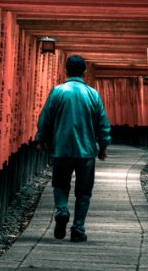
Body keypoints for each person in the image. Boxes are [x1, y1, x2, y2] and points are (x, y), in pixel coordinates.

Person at [35, 55, 111, 242]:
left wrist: (41, 139)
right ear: (84, 72)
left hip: (61, 149)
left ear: (65, 71)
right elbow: (103, 123)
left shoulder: (57, 91)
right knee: (84, 192)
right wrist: (103, 145)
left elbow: (45, 118)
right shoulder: (93, 94)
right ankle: (78, 228)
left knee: (60, 185)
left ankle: (62, 210)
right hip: (86, 151)